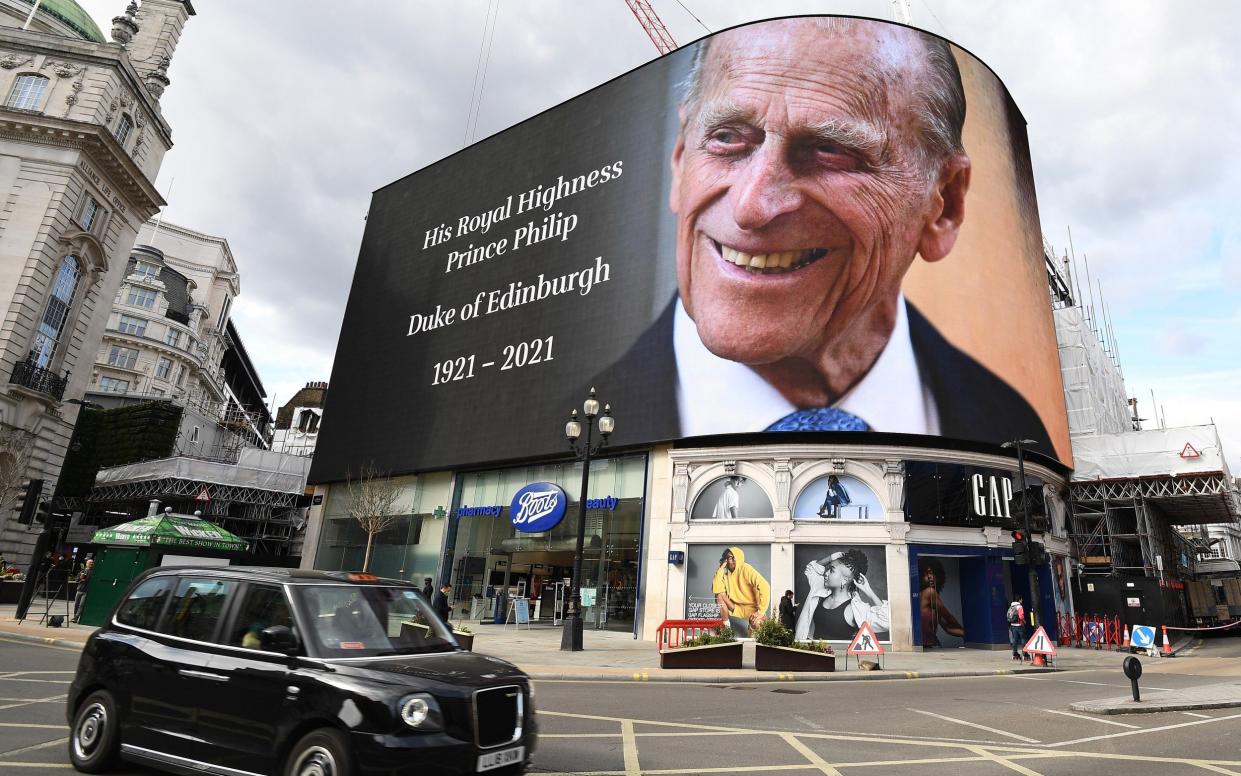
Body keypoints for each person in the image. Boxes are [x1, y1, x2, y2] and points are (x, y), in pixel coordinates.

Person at [587, 17, 1052, 451]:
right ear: (680, 158)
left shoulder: (1017, 433)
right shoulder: (571, 427)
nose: (751, 206)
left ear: (943, 204)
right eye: (727, 138)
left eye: (830, 151)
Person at [795, 549, 889, 641]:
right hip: (814, 653)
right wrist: (831, 557)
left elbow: (887, 621)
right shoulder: (820, 589)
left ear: (844, 580)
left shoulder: (856, 608)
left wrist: (869, 591)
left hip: (839, 655)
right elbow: (812, 569)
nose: (826, 573)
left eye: (831, 570)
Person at [711, 546, 769, 637]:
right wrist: (721, 568)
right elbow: (717, 589)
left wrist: (760, 612)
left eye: (734, 557)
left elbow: (765, 586)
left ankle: (751, 630)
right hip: (736, 608)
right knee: (718, 595)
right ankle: (727, 628)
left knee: (759, 625)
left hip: (753, 609)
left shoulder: (746, 569)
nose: (732, 560)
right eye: (729, 557)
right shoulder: (724, 574)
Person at [918, 557, 963, 647]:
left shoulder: (926, 595)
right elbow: (949, 618)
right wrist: (963, 629)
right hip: (926, 646)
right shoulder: (929, 592)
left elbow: (947, 627)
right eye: (925, 574)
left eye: (931, 573)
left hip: (930, 645)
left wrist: (966, 634)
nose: (929, 577)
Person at [71, 558, 93, 623]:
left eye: (92, 563)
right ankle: (75, 617)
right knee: (76, 604)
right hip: (79, 590)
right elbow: (76, 580)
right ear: (87, 564)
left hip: (86, 591)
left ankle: (76, 617)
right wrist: (80, 578)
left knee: (81, 605)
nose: (91, 564)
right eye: (90, 563)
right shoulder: (82, 571)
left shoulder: (94, 572)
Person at [1007, 593, 1026, 661]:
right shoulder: (1019, 606)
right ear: (1020, 599)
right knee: (1023, 639)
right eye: (1021, 599)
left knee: (1015, 639)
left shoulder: (1011, 606)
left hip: (1012, 625)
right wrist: (1024, 621)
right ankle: (1024, 653)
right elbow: (1021, 616)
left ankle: (1014, 653)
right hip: (1019, 625)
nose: (1022, 601)